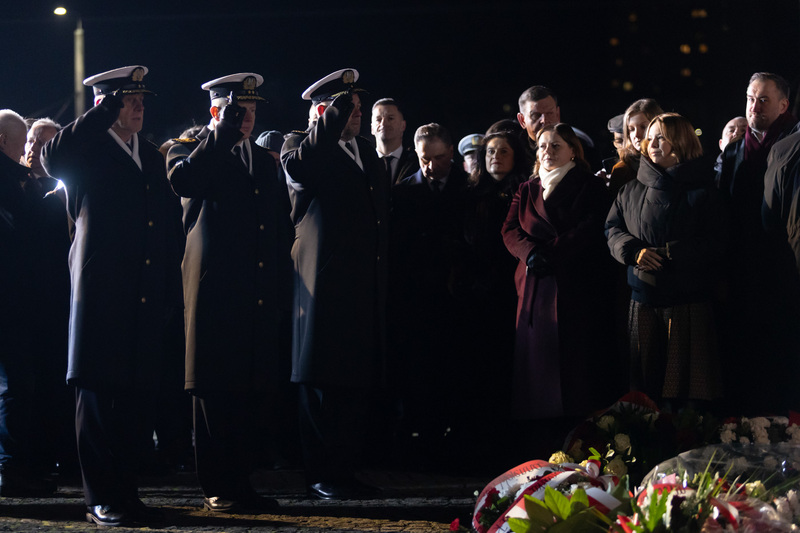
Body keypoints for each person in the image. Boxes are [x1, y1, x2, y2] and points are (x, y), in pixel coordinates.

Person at [41, 66, 184, 527]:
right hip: (101, 296)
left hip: (143, 296)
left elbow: (163, 226)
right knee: (100, 402)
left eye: (142, 100)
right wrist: (102, 111)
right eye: (129, 100)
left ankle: (127, 491)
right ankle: (100, 496)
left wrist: (166, 287)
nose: (139, 107)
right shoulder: (86, 149)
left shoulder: (148, 152)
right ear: (106, 104)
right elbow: (52, 155)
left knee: (136, 403)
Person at [168, 73, 293, 512]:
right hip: (213, 293)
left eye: (252, 112)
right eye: (236, 111)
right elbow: (185, 182)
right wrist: (218, 135)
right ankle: (217, 484)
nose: (246, 119)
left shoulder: (262, 160)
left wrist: (279, 287)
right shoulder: (189, 149)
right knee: (213, 394)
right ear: (215, 112)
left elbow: (277, 227)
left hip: (254, 292)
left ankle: (241, 481)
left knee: (247, 394)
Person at [281, 68, 389, 500]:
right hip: (321, 284)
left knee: (354, 381)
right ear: (323, 111)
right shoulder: (301, 145)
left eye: (359, 106)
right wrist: (328, 119)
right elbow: (301, 168)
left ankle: (345, 468)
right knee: (321, 381)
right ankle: (321, 471)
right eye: (347, 107)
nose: (357, 114)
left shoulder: (365, 150)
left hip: (362, 283)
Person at [502, 123, 615, 448]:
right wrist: (530, 253)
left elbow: (591, 227)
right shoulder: (527, 188)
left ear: (572, 152)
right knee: (536, 367)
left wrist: (551, 253)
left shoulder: (587, 186)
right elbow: (509, 230)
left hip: (572, 283)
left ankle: (572, 440)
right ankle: (538, 439)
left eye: (555, 146)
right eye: (542, 147)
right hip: (534, 283)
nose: (547, 152)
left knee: (572, 366)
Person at [606, 113, 726, 411]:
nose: (653, 143)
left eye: (662, 136)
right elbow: (612, 229)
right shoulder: (630, 190)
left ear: (682, 142)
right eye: (651, 136)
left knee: (687, 390)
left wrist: (672, 252)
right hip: (643, 300)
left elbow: (719, 240)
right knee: (646, 391)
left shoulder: (703, 190)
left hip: (687, 302)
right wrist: (634, 252)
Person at [716, 72, 798, 414]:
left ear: (784, 105)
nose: (755, 106)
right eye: (751, 98)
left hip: (781, 270)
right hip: (740, 271)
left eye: (764, 99)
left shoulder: (793, 146)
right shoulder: (735, 151)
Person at [389, 123, 468, 468]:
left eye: (438, 158)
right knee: (419, 376)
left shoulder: (469, 189)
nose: (432, 167)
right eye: (424, 160)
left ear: (451, 152)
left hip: (459, 297)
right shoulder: (404, 192)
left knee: (456, 373)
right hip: (418, 299)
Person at [0, 109, 58, 497]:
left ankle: (21, 466)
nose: (26, 152)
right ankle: (11, 468)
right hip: (11, 300)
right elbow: (23, 230)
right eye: (22, 143)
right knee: (16, 386)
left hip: (18, 298)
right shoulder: (9, 182)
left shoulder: (15, 180)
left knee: (21, 385)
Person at [516, 86, 599, 169]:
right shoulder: (512, 152)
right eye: (535, 115)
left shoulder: (582, 146)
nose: (544, 121)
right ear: (522, 120)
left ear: (557, 114)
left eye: (550, 113)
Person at [608, 99, 663, 196]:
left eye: (643, 127)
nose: (636, 135)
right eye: (631, 129)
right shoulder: (622, 170)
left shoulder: (672, 162)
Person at [371, 98, 418, 184]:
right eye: (378, 119)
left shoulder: (416, 162)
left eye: (390, 118)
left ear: (403, 125)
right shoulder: (364, 163)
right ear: (372, 128)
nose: (384, 123)